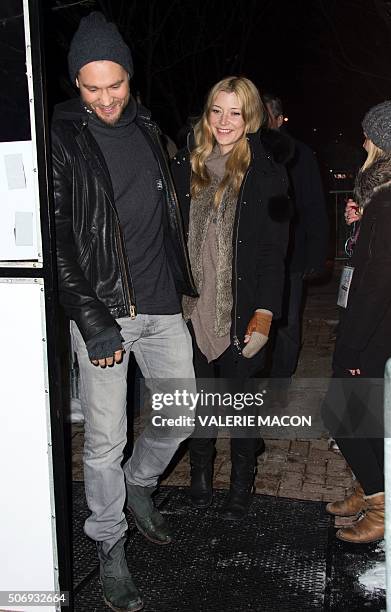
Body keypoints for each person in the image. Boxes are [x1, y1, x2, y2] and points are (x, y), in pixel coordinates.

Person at [52, 12, 197, 611]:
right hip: (104, 311)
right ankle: (109, 543)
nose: (106, 98)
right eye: (93, 87)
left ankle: (140, 487)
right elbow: (60, 241)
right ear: (76, 85)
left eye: (115, 84)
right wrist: (92, 319)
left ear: (130, 79)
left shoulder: (147, 126)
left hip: (161, 307)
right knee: (104, 440)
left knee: (182, 413)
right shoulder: (62, 138)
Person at [171, 77, 292, 521]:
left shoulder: (266, 171)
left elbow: (273, 251)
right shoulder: (186, 166)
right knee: (200, 398)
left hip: (241, 309)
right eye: (217, 111)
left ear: (251, 117)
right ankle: (200, 472)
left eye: (235, 112)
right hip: (191, 309)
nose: (224, 121)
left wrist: (264, 313)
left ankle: (242, 484)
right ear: (207, 114)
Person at [323, 101, 391, 543]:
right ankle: (370, 487)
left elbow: (376, 281)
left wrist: (352, 343)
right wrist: (362, 224)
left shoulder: (387, 200)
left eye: (369, 135)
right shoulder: (380, 198)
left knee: (341, 412)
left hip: (374, 325)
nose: (362, 141)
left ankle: (381, 502)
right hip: (375, 321)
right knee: (358, 412)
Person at [263, 93, 329, 383]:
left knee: (287, 319)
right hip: (258, 255)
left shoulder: (300, 154)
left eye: (265, 116)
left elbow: (314, 206)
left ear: (279, 118)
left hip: (292, 253)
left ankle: (281, 376)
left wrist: (316, 255)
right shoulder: (246, 151)